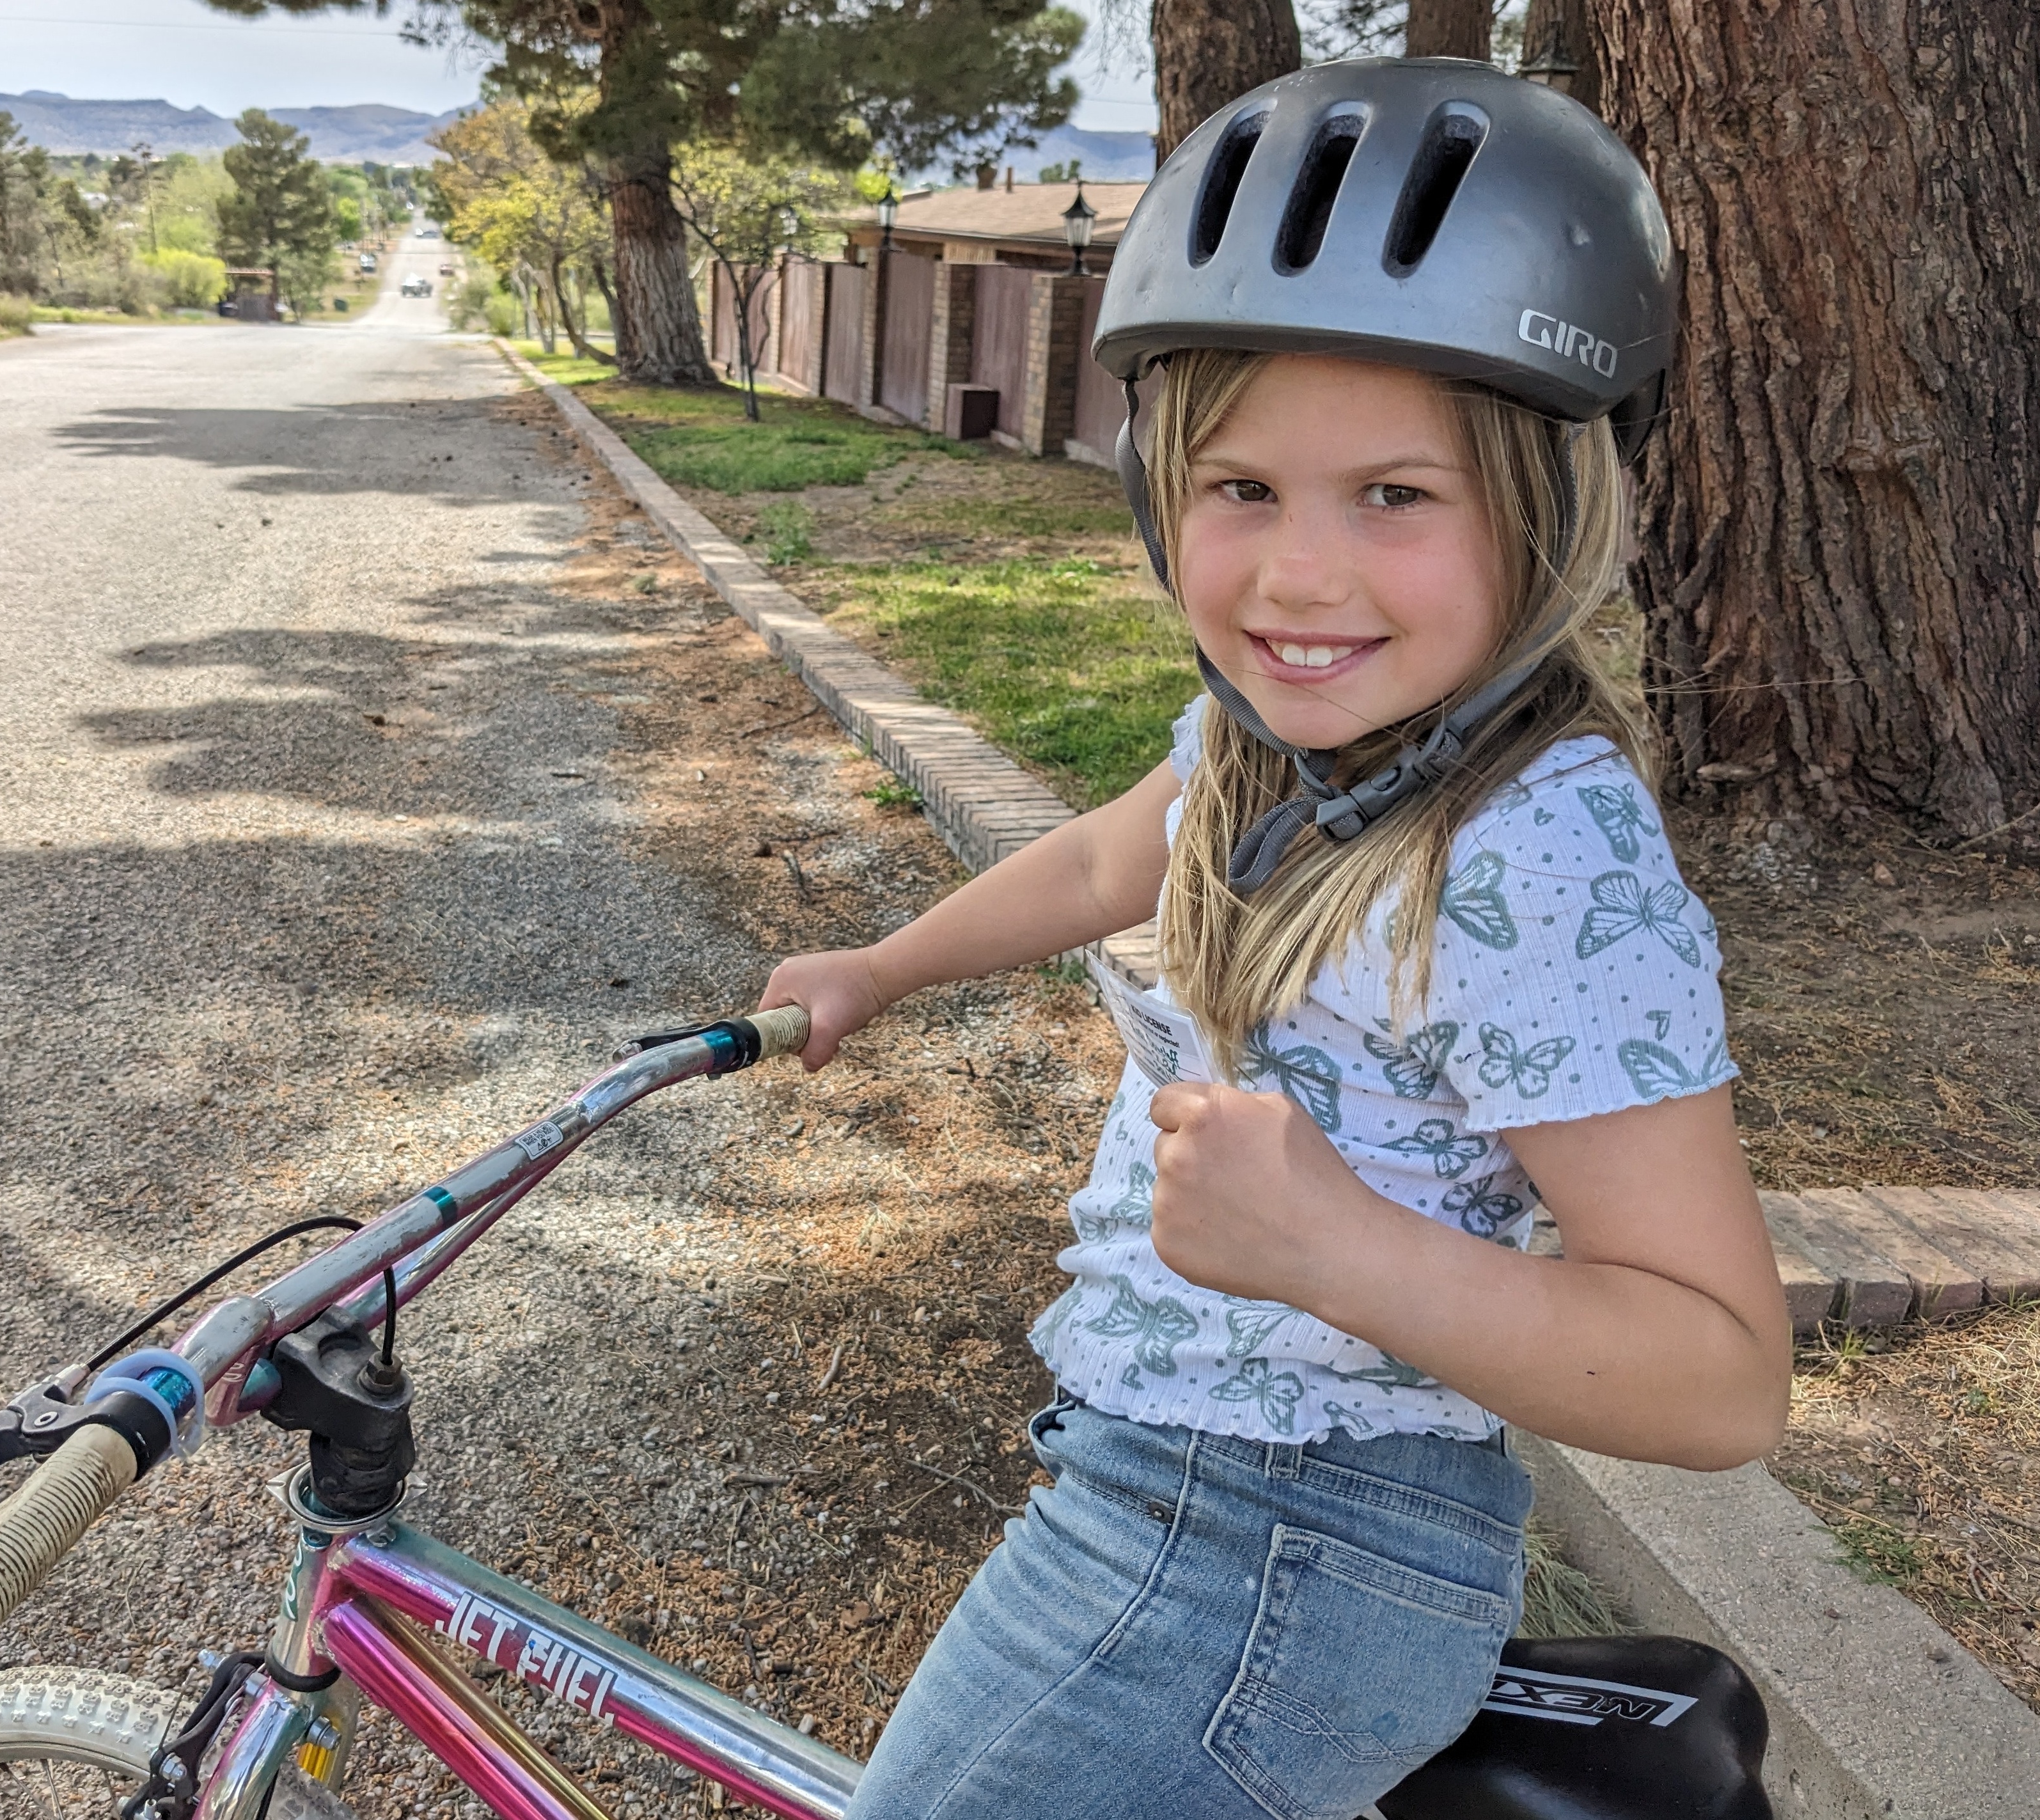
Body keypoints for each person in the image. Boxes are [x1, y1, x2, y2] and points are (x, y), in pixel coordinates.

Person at [759, 59, 1792, 1820]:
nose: (1295, 582)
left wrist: (1332, 1248)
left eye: (1394, 495)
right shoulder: (1270, 740)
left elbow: (1718, 1380)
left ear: (1542, 510)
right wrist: (884, 965)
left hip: (1282, 1552)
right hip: (1156, 1490)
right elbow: (1108, 860)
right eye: (1240, 487)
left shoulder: (1530, 854)